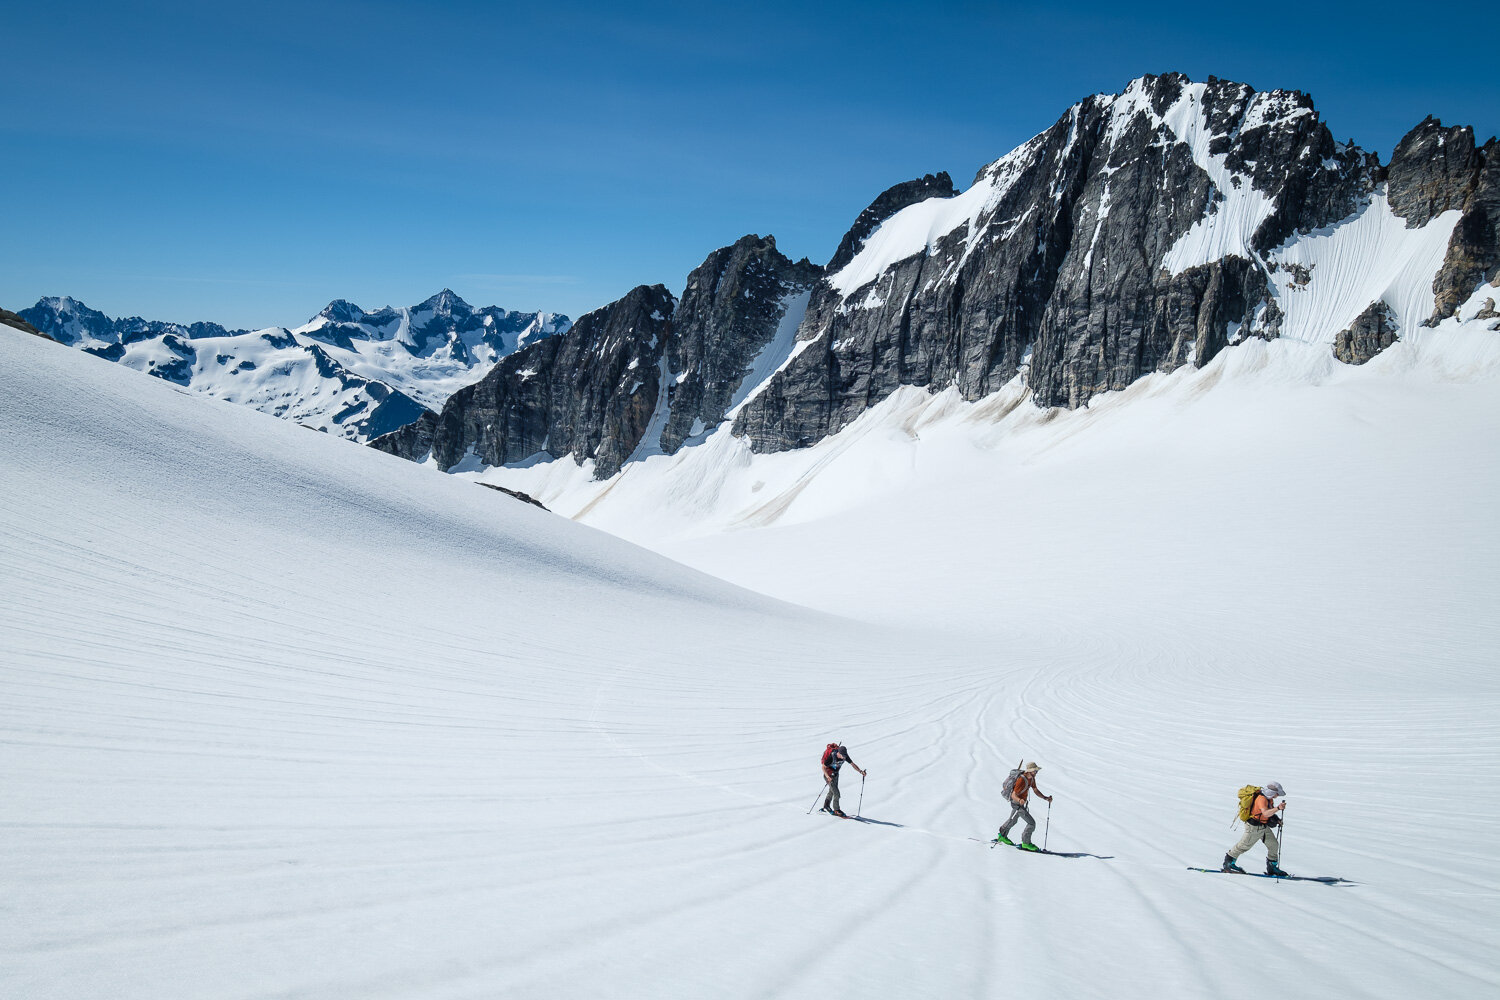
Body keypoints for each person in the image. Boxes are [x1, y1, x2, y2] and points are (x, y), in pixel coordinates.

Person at [1224, 782, 1287, 875]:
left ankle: (1272, 867)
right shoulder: (1261, 799)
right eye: (1277, 794)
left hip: (1263, 826)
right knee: (1243, 846)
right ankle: (1228, 864)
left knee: (1273, 845)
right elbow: (1265, 813)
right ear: (1272, 792)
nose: (1277, 796)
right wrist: (1278, 808)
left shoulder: (1269, 799)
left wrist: (1276, 819)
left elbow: (1268, 812)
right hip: (1254, 827)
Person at [997, 761, 1053, 850]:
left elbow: (1035, 790)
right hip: (1017, 804)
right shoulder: (1021, 780)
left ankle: (1002, 835)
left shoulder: (1031, 779)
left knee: (1013, 820)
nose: (1036, 773)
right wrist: (1020, 800)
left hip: (1020, 804)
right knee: (1031, 823)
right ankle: (1026, 843)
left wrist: (1045, 798)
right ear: (1029, 771)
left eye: (1036, 771)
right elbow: (1013, 795)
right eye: (1035, 771)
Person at [819, 743, 867, 818]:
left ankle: (826, 805)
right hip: (828, 775)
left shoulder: (845, 756)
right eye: (842, 756)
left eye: (845, 756)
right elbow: (823, 767)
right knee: (836, 793)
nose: (844, 758)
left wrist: (860, 771)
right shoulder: (832, 756)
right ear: (838, 753)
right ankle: (837, 810)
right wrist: (827, 776)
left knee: (832, 791)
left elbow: (852, 764)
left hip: (835, 775)